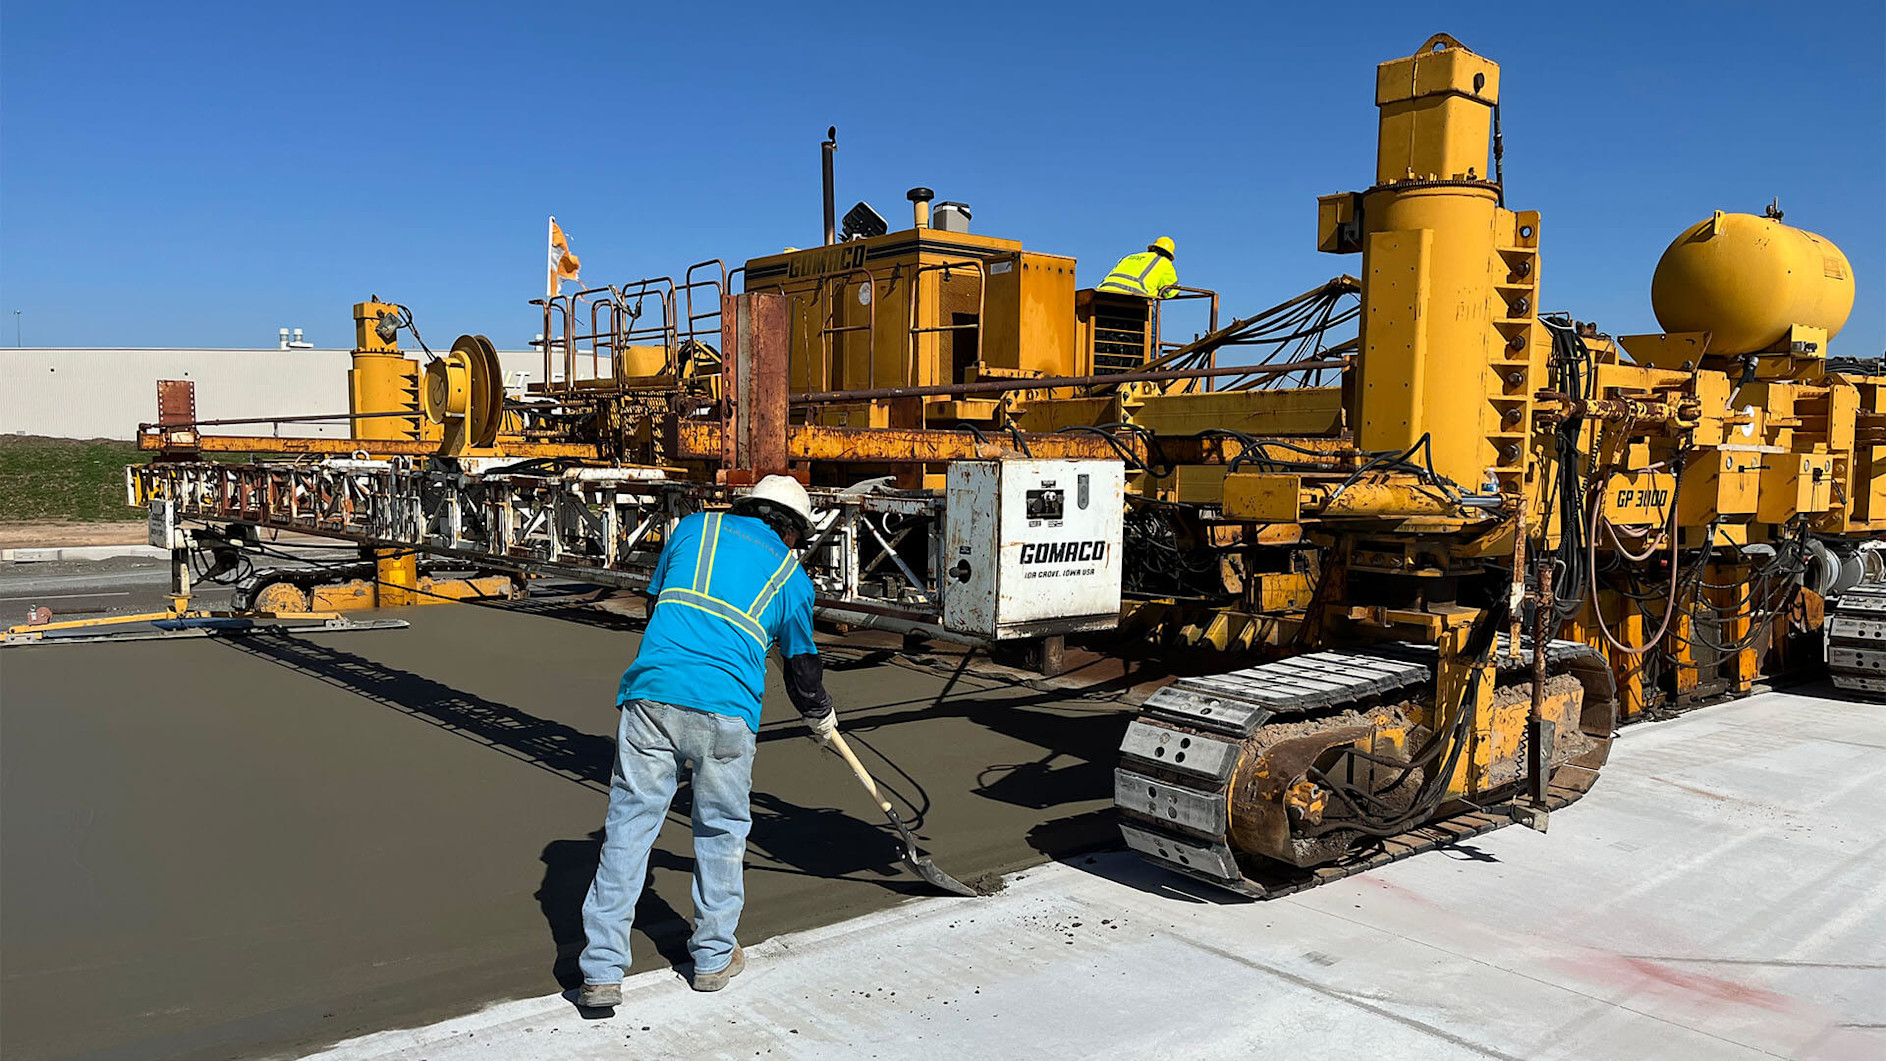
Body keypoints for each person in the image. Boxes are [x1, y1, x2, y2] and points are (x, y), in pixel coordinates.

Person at [576, 474, 838, 1009]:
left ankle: (602, 971)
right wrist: (821, 718)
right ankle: (714, 959)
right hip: (727, 712)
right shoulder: (791, 575)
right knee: (720, 832)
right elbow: (801, 667)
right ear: (792, 532)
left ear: (748, 508)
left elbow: (657, 609)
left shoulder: (693, 529)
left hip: (651, 694)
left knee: (629, 828)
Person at [1096, 236, 1180, 299]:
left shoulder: (1129, 257)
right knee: (1152, 311)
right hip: (1134, 300)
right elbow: (1171, 292)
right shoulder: (1164, 262)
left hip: (1102, 295)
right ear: (1169, 255)